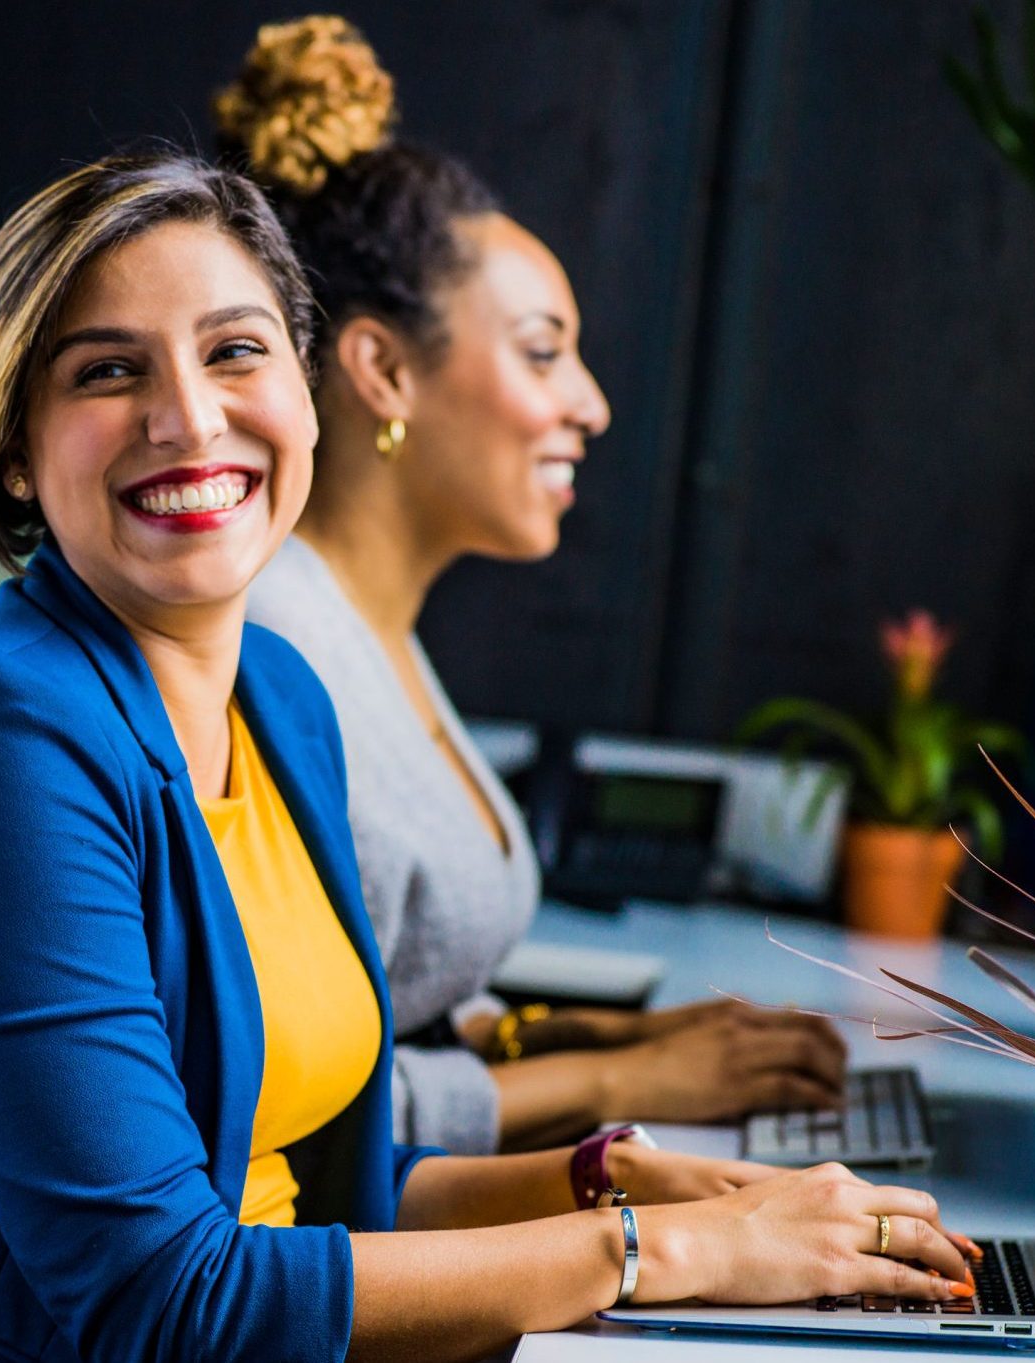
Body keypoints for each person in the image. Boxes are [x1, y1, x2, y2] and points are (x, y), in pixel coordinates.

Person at [0, 148, 976, 1363]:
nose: (188, 417)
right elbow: (163, 1299)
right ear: (13, 450)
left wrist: (614, 1181)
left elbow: (326, 1196)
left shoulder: (278, 699)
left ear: (308, 396)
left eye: (235, 351)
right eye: (108, 371)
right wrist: (657, 1250)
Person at [223, 16, 850, 1157]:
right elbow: (282, 1103)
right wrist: (617, 1077)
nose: (590, 405)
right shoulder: (272, 652)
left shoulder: (368, 630)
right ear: (383, 368)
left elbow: (397, 1002)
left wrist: (605, 1034)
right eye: (542, 351)